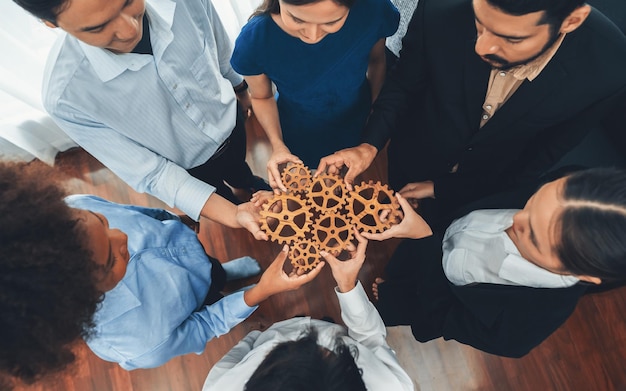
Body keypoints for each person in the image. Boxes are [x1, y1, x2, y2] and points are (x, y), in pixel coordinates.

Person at [0, 161, 324, 384]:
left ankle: (222, 273)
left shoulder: (72, 209)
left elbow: (138, 215)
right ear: (81, 300)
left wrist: (174, 219)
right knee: (210, 296)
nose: (122, 237)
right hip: (192, 304)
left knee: (212, 271)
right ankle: (223, 281)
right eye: (113, 258)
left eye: (103, 223)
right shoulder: (138, 342)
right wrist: (263, 290)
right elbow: (204, 324)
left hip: (191, 257)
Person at [317, 0, 626, 227]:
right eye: (480, 24)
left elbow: (545, 153)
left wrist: (449, 190)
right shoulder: (440, 9)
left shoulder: (609, 70)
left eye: (511, 38)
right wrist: (369, 145)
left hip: (487, 183)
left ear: (571, 20)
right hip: (415, 148)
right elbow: (404, 85)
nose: (482, 47)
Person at [12, 0, 271, 221]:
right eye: (98, 27)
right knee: (215, 191)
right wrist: (232, 215)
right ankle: (231, 198)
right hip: (185, 166)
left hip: (230, 121)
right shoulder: (66, 98)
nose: (129, 30)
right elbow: (153, 173)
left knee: (238, 166)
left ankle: (244, 181)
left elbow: (221, 50)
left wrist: (240, 90)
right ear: (51, 24)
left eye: (127, 1)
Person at [361, 167, 626, 358]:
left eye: (532, 236)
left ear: (585, 275)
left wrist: (423, 241)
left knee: (386, 307)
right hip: (432, 239)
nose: (515, 221)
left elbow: (442, 316)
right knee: (399, 268)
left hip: (428, 295)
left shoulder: (519, 331)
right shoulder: (562, 194)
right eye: (533, 202)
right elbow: (500, 182)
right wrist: (438, 189)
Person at [203, 229, 414, 390]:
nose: (308, 339)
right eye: (334, 353)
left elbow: (236, 355)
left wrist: (255, 337)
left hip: (274, 331)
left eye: (282, 349)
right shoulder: (392, 385)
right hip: (335, 329)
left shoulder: (220, 386)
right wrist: (348, 288)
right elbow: (372, 341)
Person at [230, 0, 399, 191]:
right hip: (299, 130)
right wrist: (277, 145)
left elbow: (377, 62)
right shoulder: (255, 40)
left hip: (359, 118)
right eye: (296, 19)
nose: (313, 35)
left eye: (330, 22)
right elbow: (262, 97)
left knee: (347, 177)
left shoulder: (374, 10)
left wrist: (375, 113)